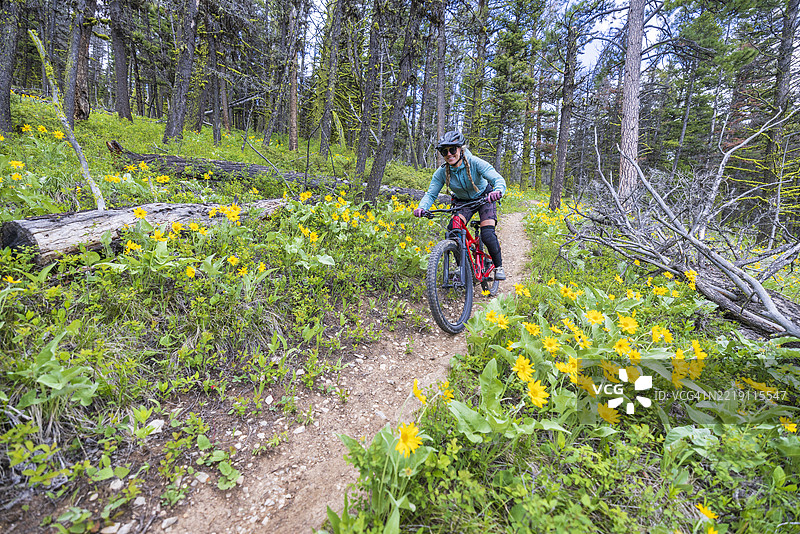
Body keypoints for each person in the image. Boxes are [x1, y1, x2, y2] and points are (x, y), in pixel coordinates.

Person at [413, 131, 507, 280]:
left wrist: (498, 191)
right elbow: (431, 194)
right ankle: (461, 267)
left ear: (461, 149)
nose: (449, 154)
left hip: (485, 198)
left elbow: (497, 179)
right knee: (453, 231)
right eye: (444, 152)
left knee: (487, 235)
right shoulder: (442, 172)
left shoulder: (475, 162)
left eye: (452, 150)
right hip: (463, 202)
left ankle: (499, 266)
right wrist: (422, 208)